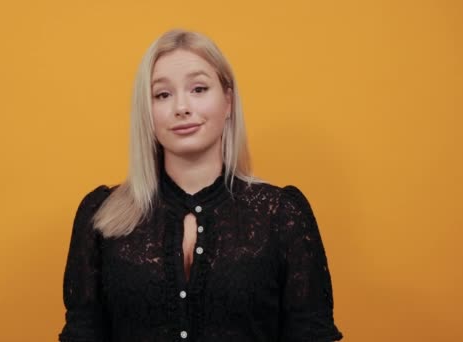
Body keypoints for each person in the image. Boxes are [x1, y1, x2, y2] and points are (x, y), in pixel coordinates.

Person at [58, 29, 343, 342]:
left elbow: (311, 333)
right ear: (147, 111)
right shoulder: (100, 216)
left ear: (228, 101)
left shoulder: (282, 215)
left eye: (198, 88)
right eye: (162, 94)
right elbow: (82, 333)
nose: (181, 107)